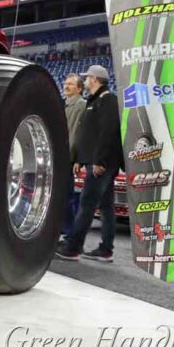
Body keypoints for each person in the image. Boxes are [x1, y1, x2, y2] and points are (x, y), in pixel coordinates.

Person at [56, 64, 123, 262]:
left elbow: (108, 132)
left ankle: (73, 247)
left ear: (94, 79)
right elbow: (91, 135)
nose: (84, 81)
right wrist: (81, 158)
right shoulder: (96, 101)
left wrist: (99, 160)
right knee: (107, 206)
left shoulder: (107, 99)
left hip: (101, 163)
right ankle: (106, 249)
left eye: (86, 78)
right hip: (96, 160)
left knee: (87, 203)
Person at [61, 73, 86, 237]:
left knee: (67, 197)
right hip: (60, 156)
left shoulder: (82, 105)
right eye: (65, 83)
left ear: (79, 88)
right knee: (61, 197)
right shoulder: (63, 104)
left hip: (69, 157)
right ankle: (63, 230)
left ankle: (70, 233)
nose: (66, 86)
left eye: (70, 84)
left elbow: (83, 134)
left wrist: (79, 158)